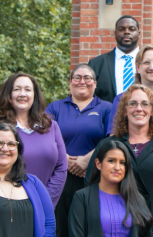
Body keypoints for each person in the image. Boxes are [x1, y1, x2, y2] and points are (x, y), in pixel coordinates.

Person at [86, 85, 153, 233]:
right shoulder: (108, 144)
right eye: (133, 104)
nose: (139, 108)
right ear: (124, 111)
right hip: (116, 226)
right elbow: (91, 184)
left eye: (145, 104)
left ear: (152, 111)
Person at [47, 65, 114, 237]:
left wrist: (87, 160)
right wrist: (65, 158)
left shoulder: (106, 108)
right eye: (77, 77)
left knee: (88, 226)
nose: (82, 81)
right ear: (70, 82)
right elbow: (45, 136)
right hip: (60, 177)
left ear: (95, 83)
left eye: (87, 78)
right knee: (60, 226)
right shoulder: (55, 107)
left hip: (92, 177)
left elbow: (112, 138)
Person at [0, 73, 66, 207]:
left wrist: (45, 201)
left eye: (27, 89)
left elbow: (61, 167)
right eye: (17, 89)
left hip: (45, 205)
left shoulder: (51, 126)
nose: (22, 94)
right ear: (9, 95)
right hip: (10, 205)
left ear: (34, 95)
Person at [69, 140, 153, 237]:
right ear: (98, 164)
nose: (117, 167)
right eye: (111, 161)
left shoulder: (137, 199)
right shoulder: (82, 197)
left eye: (122, 163)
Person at [89, 15, 142, 102]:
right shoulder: (96, 64)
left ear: (139, 33)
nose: (126, 32)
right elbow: (88, 98)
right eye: (121, 29)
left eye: (131, 29)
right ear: (115, 33)